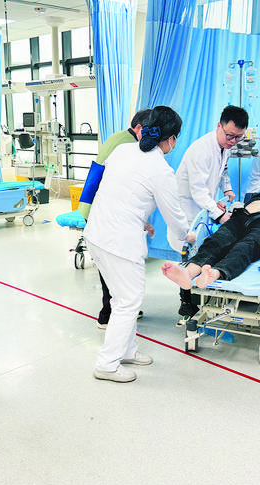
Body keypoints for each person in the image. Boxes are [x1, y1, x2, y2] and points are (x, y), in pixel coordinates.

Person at [83, 106, 195, 383]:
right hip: (119, 242)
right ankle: (107, 365)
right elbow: (175, 217)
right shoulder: (161, 170)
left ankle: (127, 350)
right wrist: (189, 235)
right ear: (172, 139)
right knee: (129, 302)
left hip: (97, 233)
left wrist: (142, 220)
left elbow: (118, 191)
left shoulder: (122, 151)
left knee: (122, 299)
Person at [175, 105, 249, 323]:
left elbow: (223, 169)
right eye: (230, 135)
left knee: (205, 249)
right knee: (189, 253)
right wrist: (220, 215)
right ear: (219, 126)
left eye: (238, 137)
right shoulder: (201, 150)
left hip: (202, 204)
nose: (233, 141)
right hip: (188, 206)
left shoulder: (224, 146)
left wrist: (227, 188)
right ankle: (186, 303)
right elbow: (197, 191)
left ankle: (203, 294)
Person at [162, 193, 260, 289]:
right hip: (242, 216)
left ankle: (214, 273)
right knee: (216, 241)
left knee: (246, 246)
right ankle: (188, 272)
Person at [93, 109, 152, 329]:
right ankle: (108, 313)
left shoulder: (119, 137)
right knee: (115, 267)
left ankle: (119, 308)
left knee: (113, 268)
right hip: (105, 213)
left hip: (100, 209)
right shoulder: (127, 146)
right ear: (139, 128)